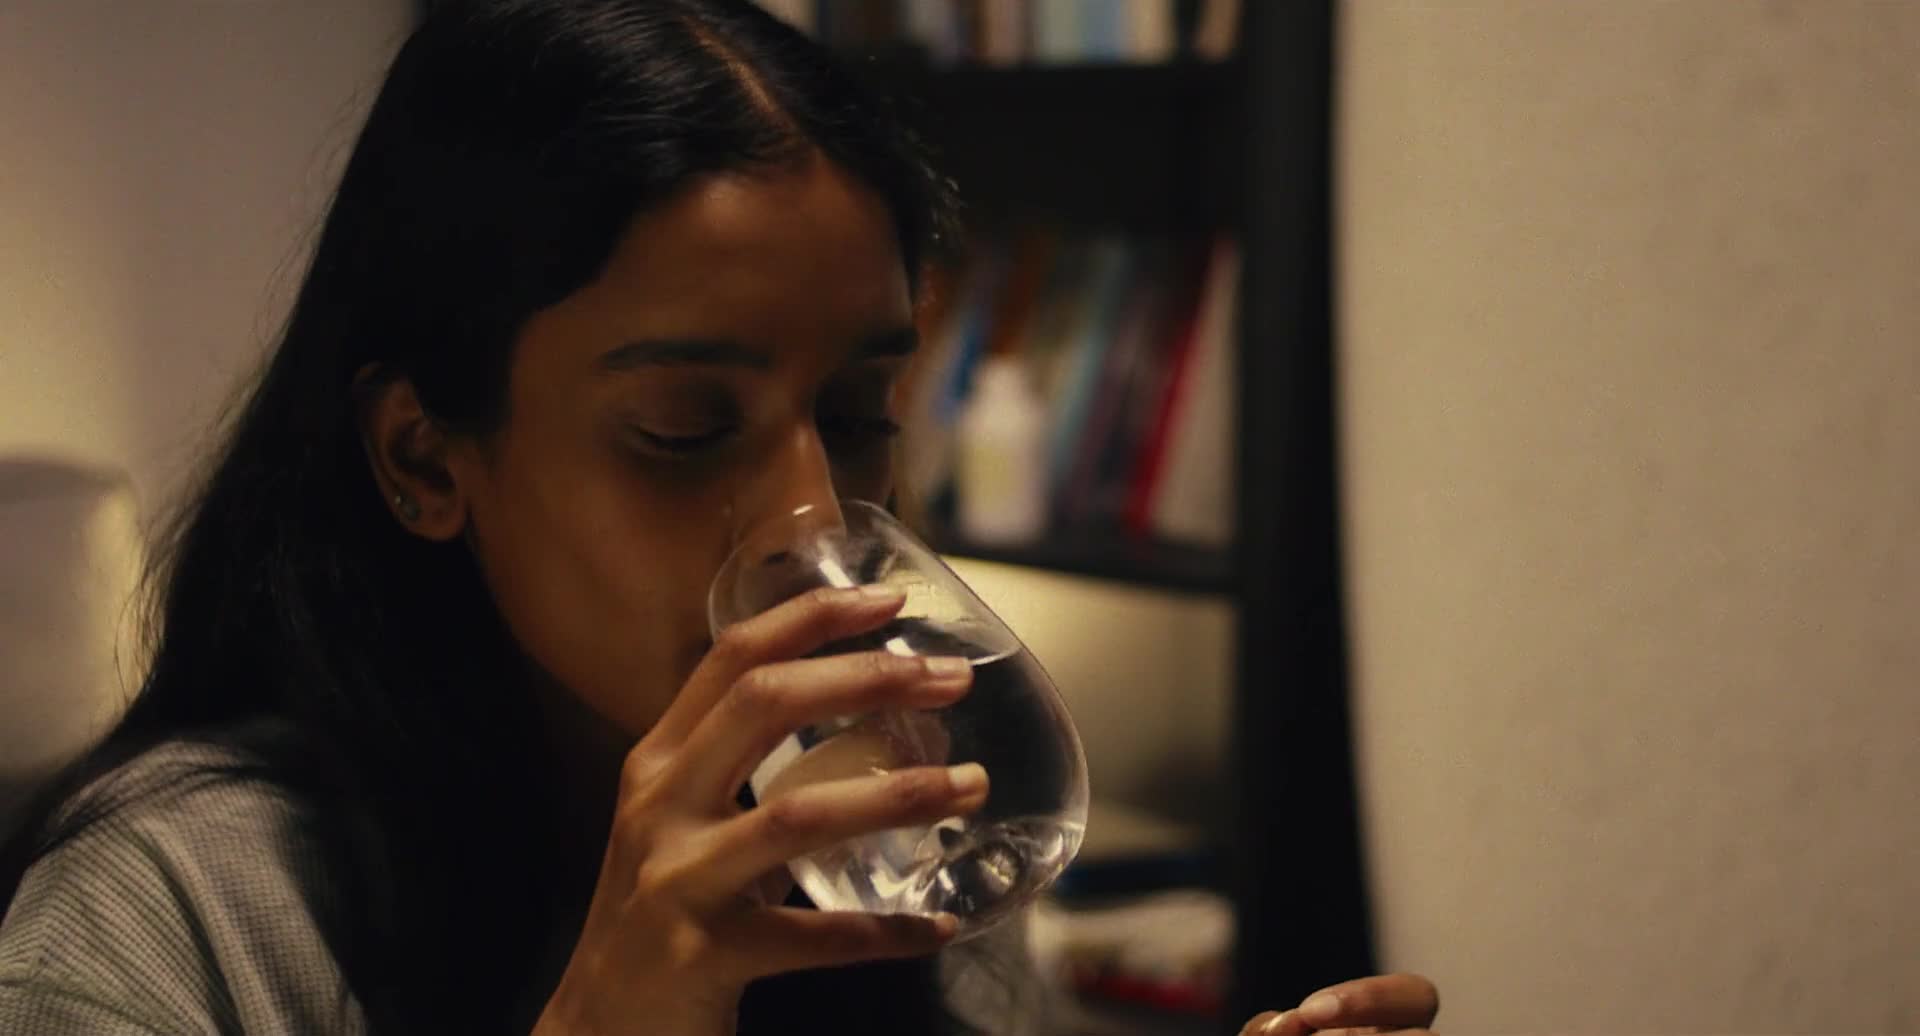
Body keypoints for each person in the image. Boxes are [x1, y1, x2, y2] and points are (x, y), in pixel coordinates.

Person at [0, 2, 1439, 1034]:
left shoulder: (886, 842)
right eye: (684, 432)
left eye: (862, 413)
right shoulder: (167, 923)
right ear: (422, 459)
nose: (814, 516)